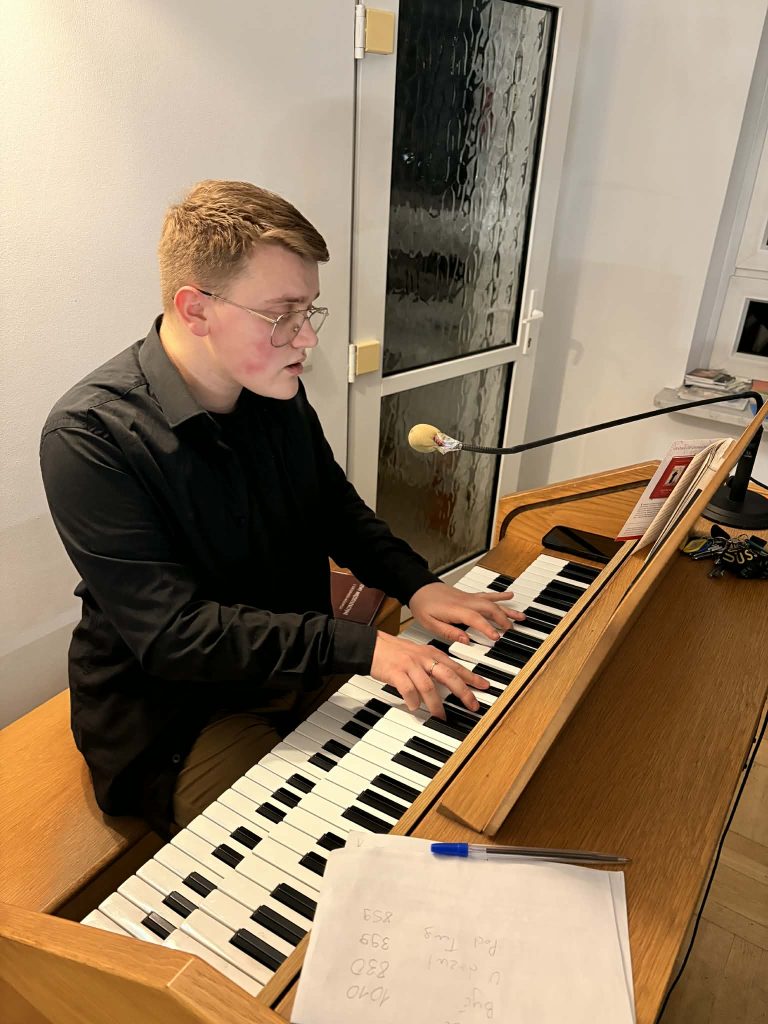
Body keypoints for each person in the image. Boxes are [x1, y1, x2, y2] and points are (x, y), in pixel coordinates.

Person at [40, 180, 523, 836]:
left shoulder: (272, 388)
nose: (307, 339)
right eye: (282, 315)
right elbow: (174, 634)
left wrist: (418, 584)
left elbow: (333, 509)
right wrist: (362, 647)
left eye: (309, 311)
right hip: (181, 712)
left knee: (458, 766)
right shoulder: (90, 434)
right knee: (317, 844)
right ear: (196, 309)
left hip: (299, 667)